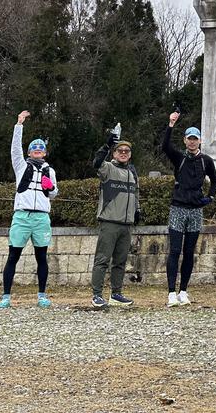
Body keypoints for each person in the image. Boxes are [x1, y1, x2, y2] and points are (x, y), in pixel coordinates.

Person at [0, 110, 58, 309]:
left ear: (45, 152)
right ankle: (6, 296)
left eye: (41, 148)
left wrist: (51, 188)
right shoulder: (21, 166)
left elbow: (54, 194)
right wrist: (19, 125)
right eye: (34, 148)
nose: (38, 150)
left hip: (41, 218)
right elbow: (15, 150)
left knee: (41, 257)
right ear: (29, 152)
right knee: (13, 256)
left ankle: (42, 295)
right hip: (22, 216)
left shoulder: (50, 170)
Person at [162, 110, 216, 307]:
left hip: (195, 210)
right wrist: (171, 124)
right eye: (189, 139)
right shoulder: (180, 158)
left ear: (200, 141)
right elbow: (165, 146)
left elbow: (214, 181)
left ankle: (183, 291)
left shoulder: (206, 160)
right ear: (185, 141)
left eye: (195, 139)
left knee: (189, 251)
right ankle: (171, 292)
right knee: (175, 250)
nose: (192, 142)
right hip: (178, 208)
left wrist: (209, 197)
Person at [90, 129, 141, 309]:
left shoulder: (132, 172)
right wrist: (106, 144)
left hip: (126, 224)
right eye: (120, 151)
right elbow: (96, 163)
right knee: (102, 260)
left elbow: (135, 194)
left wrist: (137, 210)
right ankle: (96, 295)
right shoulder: (108, 168)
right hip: (110, 221)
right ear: (114, 153)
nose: (123, 154)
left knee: (120, 261)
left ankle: (116, 293)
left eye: (126, 151)